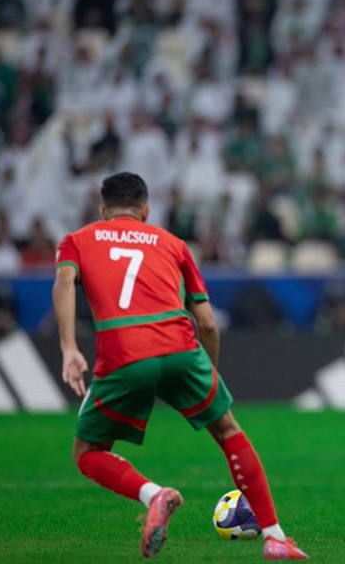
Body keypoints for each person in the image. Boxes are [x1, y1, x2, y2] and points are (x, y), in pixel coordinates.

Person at [52, 172, 307, 560]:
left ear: (103, 210)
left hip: (124, 350)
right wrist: (208, 374)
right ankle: (275, 538)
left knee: (87, 452)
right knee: (229, 430)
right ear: (146, 210)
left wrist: (69, 348)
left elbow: (64, 284)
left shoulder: (77, 240)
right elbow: (207, 322)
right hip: (180, 347)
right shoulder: (173, 243)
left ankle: (154, 494)